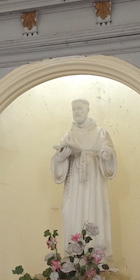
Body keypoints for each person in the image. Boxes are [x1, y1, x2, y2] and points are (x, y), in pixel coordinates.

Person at [51, 99, 116, 257]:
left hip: (94, 181)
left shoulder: (100, 133)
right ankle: (73, 256)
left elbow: (108, 150)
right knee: (71, 212)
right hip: (74, 183)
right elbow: (58, 163)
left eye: (79, 108)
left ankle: (95, 257)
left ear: (88, 110)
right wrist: (60, 158)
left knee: (94, 211)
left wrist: (106, 154)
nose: (76, 112)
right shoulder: (69, 135)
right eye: (73, 109)